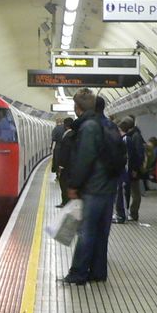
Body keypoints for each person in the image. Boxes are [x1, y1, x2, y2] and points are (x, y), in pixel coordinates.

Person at [61, 88, 118, 285]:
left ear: (77, 108)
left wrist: (74, 185)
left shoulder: (88, 127)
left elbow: (84, 158)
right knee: (102, 233)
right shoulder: (109, 124)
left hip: (93, 188)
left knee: (86, 232)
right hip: (108, 188)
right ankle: (98, 272)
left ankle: (77, 274)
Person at [55, 116, 74, 206]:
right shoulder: (73, 134)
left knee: (63, 183)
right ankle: (66, 202)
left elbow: (65, 152)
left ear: (65, 125)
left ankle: (65, 202)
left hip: (66, 166)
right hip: (71, 166)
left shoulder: (68, 136)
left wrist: (60, 166)